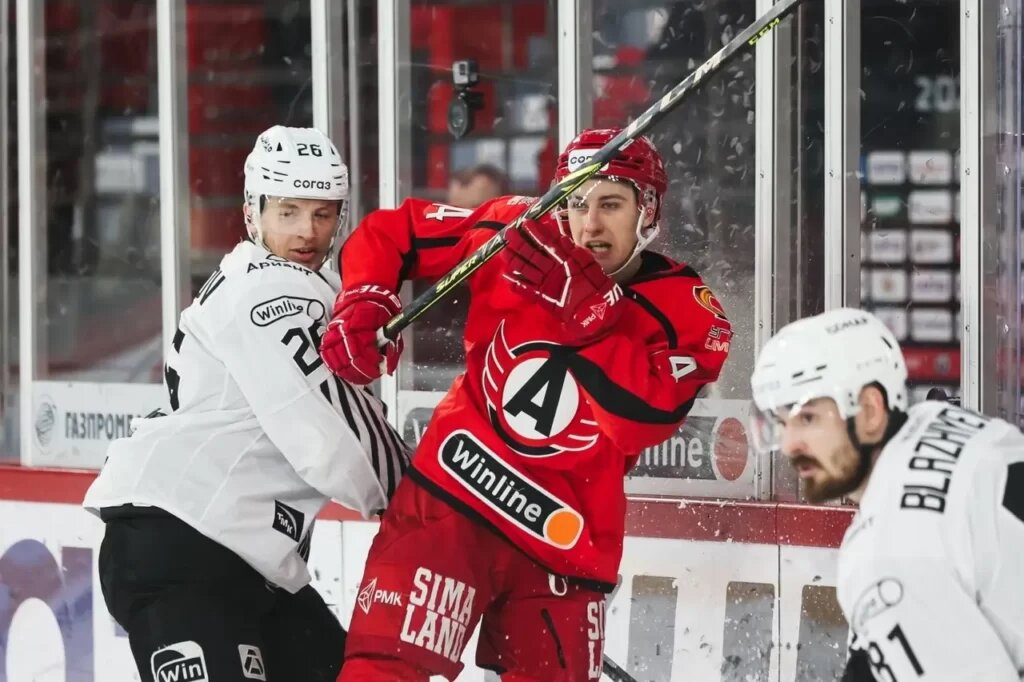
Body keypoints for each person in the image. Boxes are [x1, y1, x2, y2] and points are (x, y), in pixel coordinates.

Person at [319, 128, 732, 681]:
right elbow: (397, 232)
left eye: (611, 205)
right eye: (577, 203)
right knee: (381, 672)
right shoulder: (522, 233)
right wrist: (366, 297)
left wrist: (588, 316)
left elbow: (644, 420)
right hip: (453, 501)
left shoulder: (689, 310)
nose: (589, 225)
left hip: (562, 546)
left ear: (648, 211)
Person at [83, 125, 411, 682]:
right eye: (288, 211)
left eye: (323, 213)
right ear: (251, 213)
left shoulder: (285, 284)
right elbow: (330, 431)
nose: (307, 230)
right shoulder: (271, 289)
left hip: (247, 563)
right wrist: (421, 498)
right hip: (185, 546)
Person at [749, 307, 1024, 682]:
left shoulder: (888, 551)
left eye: (808, 418)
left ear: (870, 411)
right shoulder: (940, 421)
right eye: (782, 423)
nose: (790, 444)